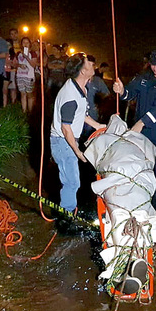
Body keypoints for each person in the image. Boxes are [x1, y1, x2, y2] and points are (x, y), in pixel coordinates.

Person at [113, 46, 156, 224]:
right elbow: (129, 94)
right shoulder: (143, 78)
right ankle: (138, 214)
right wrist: (121, 91)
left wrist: (141, 123)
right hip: (141, 137)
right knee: (138, 174)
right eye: (153, 64)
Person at [49, 53, 105, 213]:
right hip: (64, 142)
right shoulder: (70, 96)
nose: (92, 66)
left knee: (71, 180)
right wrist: (77, 151)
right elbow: (66, 129)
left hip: (67, 140)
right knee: (72, 182)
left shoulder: (78, 87)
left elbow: (81, 114)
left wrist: (98, 126)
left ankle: (68, 209)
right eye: (88, 64)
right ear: (82, 71)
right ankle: (67, 214)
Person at [83, 55, 110, 135]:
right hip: (78, 117)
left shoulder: (98, 81)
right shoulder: (77, 80)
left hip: (92, 116)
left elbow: (106, 94)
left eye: (92, 65)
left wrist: (99, 103)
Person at [14, 36, 38, 113]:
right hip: (20, 76)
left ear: (30, 44)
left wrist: (27, 57)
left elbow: (34, 65)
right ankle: (24, 111)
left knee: (29, 94)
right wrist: (19, 65)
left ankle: (30, 111)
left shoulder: (33, 53)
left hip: (29, 76)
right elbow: (14, 64)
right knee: (22, 94)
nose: (25, 44)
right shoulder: (18, 53)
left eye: (27, 42)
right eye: (23, 42)